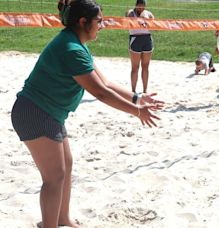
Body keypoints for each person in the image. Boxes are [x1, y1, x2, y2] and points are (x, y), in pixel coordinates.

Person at [10, 1, 164, 227]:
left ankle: (63, 219)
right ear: (83, 22)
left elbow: (106, 83)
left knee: (66, 167)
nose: (102, 26)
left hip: (49, 113)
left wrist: (136, 98)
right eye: (99, 21)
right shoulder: (71, 49)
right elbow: (100, 93)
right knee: (54, 178)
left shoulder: (76, 43)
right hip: (35, 112)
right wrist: (137, 112)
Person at [126, 0, 154, 93]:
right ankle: (133, 90)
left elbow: (154, 25)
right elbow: (127, 20)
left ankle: (145, 90)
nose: (141, 8)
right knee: (135, 67)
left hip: (147, 39)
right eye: (139, 6)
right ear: (136, 5)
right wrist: (139, 19)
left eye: (143, 6)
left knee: (145, 66)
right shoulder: (130, 12)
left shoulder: (148, 14)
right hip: (135, 39)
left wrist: (147, 20)